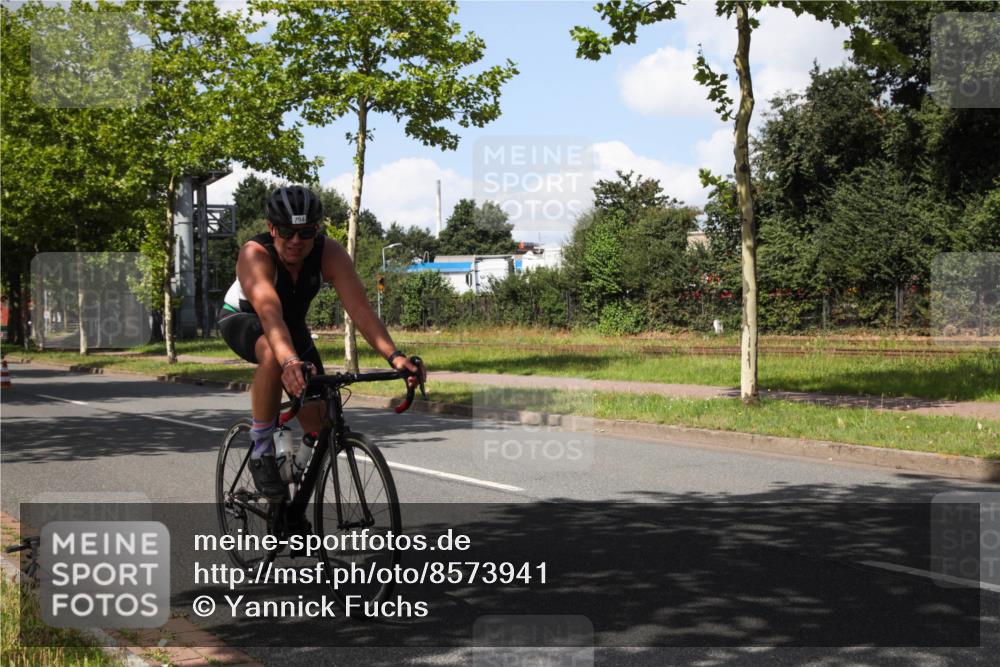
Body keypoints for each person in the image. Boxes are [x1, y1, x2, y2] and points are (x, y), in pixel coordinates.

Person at [218, 185, 425, 500]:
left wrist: (395, 357)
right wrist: (289, 361)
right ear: (272, 228)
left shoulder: (329, 253)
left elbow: (360, 311)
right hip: (247, 320)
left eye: (306, 232)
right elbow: (270, 314)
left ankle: (290, 500)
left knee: (321, 426)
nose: (297, 241)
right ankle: (261, 447)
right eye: (287, 231)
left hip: (293, 329)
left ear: (317, 229)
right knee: (274, 357)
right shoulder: (254, 254)